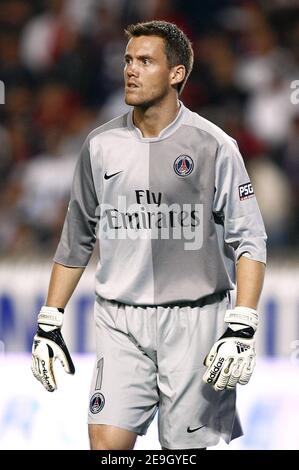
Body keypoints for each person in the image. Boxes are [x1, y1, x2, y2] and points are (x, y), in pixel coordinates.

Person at [31, 20, 267, 451]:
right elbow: (77, 236)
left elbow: (250, 239)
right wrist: (50, 321)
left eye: (145, 61)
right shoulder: (100, 145)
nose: (131, 70)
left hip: (195, 323)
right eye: (127, 61)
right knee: (106, 448)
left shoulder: (214, 145)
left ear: (176, 73)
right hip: (119, 320)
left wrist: (243, 325)